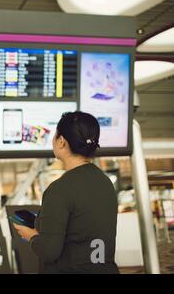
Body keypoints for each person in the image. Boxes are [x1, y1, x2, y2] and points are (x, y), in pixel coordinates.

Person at [13, 111, 119, 274]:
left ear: (61, 141)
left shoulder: (59, 189)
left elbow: (49, 251)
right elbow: (80, 227)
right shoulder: (105, 183)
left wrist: (30, 235)